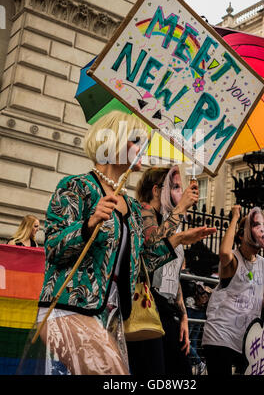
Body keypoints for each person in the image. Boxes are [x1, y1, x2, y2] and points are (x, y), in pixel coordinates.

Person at [31, 111, 216, 376]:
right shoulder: (76, 186)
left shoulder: (130, 205)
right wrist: (90, 223)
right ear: (114, 143)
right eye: (136, 141)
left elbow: (143, 263)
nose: (142, 149)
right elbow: (53, 249)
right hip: (71, 309)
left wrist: (179, 238)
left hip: (114, 317)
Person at [127, 165, 215, 376]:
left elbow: (173, 276)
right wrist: (181, 211)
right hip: (147, 306)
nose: (181, 192)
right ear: (157, 190)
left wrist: (183, 315)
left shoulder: (170, 222)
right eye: (175, 187)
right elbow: (154, 248)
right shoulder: (144, 211)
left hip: (168, 313)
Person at [202, 205, 264, 376]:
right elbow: (224, 253)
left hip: (247, 338)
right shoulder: (233, 259)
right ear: (241, 235)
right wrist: (234, 218)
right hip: (220, 336)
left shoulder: (262, 263)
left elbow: (261, 298)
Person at [185, 281, 211, 375]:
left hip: (197, 310)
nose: (205, 297)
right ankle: (197, 363)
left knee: (190, 338)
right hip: (195, 309)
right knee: (191, 338)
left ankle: (197, 363)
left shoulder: (199, 288)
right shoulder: (199, 288)